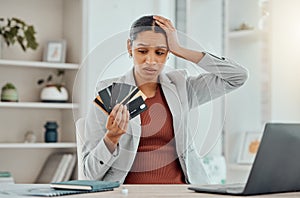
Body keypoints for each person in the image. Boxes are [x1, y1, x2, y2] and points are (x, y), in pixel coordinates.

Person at [82, 15, 248, 184]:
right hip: (129, 192)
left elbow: (238, 76)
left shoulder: (180, 87)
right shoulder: (109, 92)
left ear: (169, 53)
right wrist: (111, 138)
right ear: (129, 47)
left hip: (182, 192)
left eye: (160, 52)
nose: (151, 61)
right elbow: (89, 173)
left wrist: (180, 49)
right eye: (142, 51)